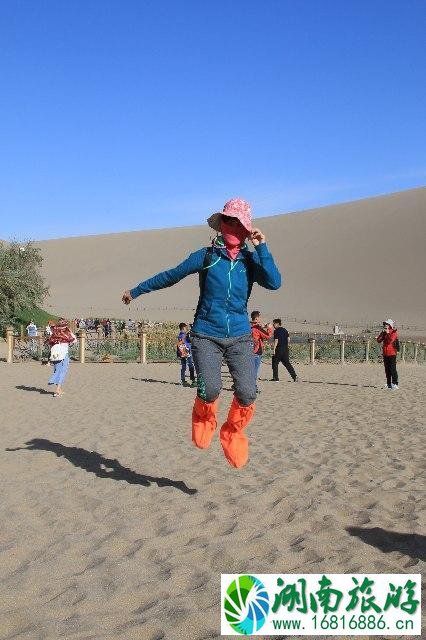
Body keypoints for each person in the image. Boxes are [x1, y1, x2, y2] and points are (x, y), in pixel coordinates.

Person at [122, 197, 281, 468]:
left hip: (241, 336)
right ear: (221, 224)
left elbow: (274, 282)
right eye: (227, 221)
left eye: (237, 222)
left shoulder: (250, 261)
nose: (231, 226)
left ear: (246, 227)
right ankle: (204, 418)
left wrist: (262, 247)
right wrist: (136, 291)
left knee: (247, 393)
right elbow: (172, 275)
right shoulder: (206, 256)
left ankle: (232, 433)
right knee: (210, 390)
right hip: (206, 334)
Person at [47, 319, 77, 397]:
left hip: (55, 352)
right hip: (63, 353)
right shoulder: (66, 331)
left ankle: (59, 388)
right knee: (63, 370)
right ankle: (56, 387)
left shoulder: (55, 331)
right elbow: (74, 340)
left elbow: (50, 339)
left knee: (57, 369)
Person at [250, 311, 273, 392]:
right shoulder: (257, 327)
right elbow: (268, 336)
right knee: (254, 372)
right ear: (256, 318)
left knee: (248, 370)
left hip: (247, 351)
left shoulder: (248, 326)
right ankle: (253, 387)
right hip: (256, 351)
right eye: (259, 317)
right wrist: (269, 328)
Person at [377, 319, 399, 389]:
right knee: (387, 369)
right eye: (385, 324)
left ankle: (395, 384)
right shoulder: (384, 332)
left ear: (390, 325)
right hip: (385, 353)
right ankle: (389, 384)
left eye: (386, 324)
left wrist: (388, 333)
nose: (385, 325)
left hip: (392, 353)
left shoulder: (394, 333)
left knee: (392, 369)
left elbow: (390, 341)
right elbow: (378, 340)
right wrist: (382, 334)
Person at [177, 323, 197, 387]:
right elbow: (181, 342)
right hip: (187, 352)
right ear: (183, 328)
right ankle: (193, 381)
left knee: (184, 366)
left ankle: (183, 380)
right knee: (191, 366)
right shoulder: (183, 335)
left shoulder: (180, 334)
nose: (186, 329)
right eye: (186, 328)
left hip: (183, 353)